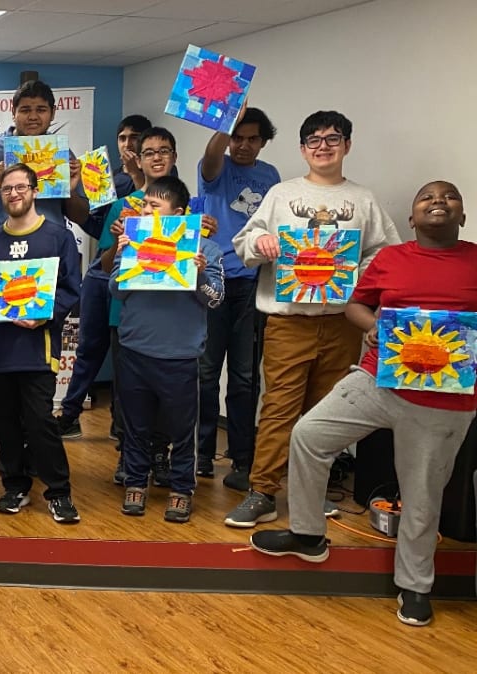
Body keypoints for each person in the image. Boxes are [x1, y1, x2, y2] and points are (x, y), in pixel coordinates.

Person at [250, 181, 476, 628]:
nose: (437, 201)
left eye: (449, 196)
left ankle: (415, 585)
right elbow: (356, 304)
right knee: (308, 435)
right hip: (376, 379)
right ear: (411, 219)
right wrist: (371, 325)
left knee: (422, 495)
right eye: (427, 197)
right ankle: (308, 535)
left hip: (445, 399)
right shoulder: (392, 258)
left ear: (463, 217)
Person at [226, 110, 401, 528]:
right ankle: (263, 492)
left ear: (347, 145)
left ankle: (310, 493)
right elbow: (244, 241)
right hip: (288, 322)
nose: (323, 147)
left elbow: (385, 254)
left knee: (325, 413)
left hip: (342, 323)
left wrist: (354, 272)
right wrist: (262, 242)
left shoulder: (363, 199)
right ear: (303, 149)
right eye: (314, 140)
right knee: (279, 407)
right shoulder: (281, 194)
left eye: (332, 139)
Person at [0, 163, 82, 525]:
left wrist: (46, 315)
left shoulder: (58, 237)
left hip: (38, 348)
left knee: (41, 421)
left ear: (34, 190)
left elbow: (71, 289)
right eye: (8, 188)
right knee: (4, 423)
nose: (13, 194)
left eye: (20, 187)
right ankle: (15, 486)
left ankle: (59, 492)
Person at [109, 176, 224, 522]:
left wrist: (199, 274)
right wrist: (125, 256)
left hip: (180, 355)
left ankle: (181, 489)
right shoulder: (131, 242)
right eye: (144, 204)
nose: (145, 210)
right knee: (135, 426)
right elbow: (115, 290)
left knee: (182, 430)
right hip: (135, 349)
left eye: (154, 205)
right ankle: (136, 482)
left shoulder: (206, 249)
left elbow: (215, 300)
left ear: (178, 213)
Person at [97, 127, 200, 486]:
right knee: (130, 396)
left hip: (177, 322)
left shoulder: (191, 211)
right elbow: (105, 266)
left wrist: (204, 235)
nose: (157, 158)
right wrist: (119, 243)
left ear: (174, 157)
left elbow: (202, 264)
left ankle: (161, 455)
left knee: (171, 400)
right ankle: (130, 455)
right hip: (130, 316)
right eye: (149, 152)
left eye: (164, 151)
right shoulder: (122, 208)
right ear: (137, 161)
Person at [196, 106, 281, 490]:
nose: (244, 145)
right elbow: (212, 155)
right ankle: (201, 454)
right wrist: (226, 119)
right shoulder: (216, 167)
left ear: (263, 142)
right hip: (213, 278)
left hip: (253, 284)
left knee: (245, 377)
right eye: (237, 137)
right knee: (206, 372)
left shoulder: (270, 176)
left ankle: (243, 459)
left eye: (252, 139)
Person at [56, 114, 153, 438]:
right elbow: (93, 224)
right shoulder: (108, 178)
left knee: (126, 352)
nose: (128, 144)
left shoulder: (163, 184)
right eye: (123, 138)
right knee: (88, 348)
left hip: (138, 277)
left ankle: (120, 423)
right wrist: (74, 191)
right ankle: (70, 413)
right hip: (102, 271)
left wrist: (139, 176)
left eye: (135, 138)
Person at [0, 79, 91, 236]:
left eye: (41, 110)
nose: (33, 117)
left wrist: (69, 191)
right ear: (13, 112)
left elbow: (81, 217)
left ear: (53, 113)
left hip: (50, 244)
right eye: (25, 110)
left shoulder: (62, 154)